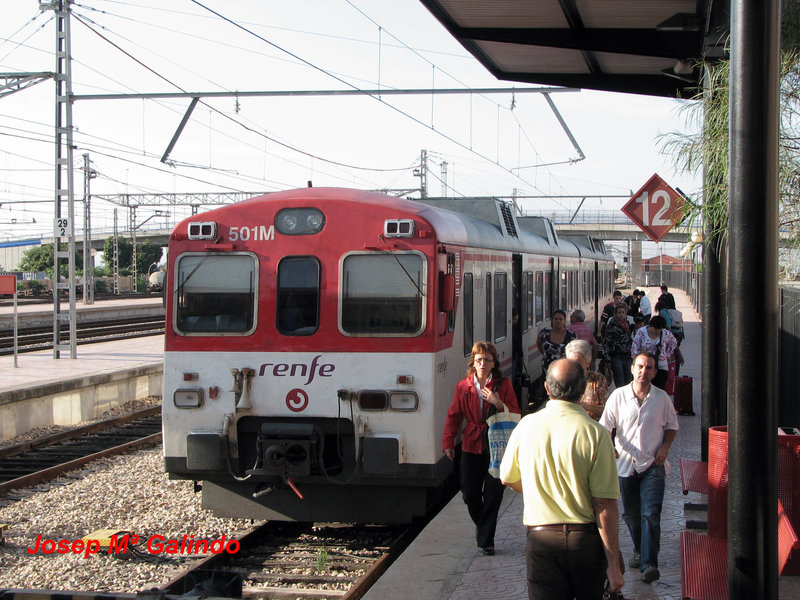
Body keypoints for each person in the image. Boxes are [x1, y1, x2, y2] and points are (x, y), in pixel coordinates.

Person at [500, 359, 624, 599]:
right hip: (585, 542)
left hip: (541, 540)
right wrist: (613, 564)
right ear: (581, 391)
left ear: (547, 388)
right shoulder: (596, 433)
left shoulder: (526, 426)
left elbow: (507, 478)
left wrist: (541, 488)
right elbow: (605, 504)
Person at [599, 352, 679, 585]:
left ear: (655, 372)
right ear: (633, 368)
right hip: (625, 465)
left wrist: (664, 448)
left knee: (651, 514)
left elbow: (672, 426)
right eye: (641, 366)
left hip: (653, 464)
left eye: (650, 367)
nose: (644, 371)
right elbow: (605, 426)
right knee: (631, 515)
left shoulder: (662, 398)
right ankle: (638, 548)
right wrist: (610, 448)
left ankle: (648, 563)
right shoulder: (618, 396)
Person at [442, 341, 521, 556]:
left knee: (494, 494)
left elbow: (515, 413)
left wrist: (497, 403)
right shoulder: (463, 386)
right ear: (473, 363)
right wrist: (448, 442)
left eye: (487, 359)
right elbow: (454, 415)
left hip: (497, 445)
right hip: (472, 443)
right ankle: (484, 527)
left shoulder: (503, 386)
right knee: (469, 493)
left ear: (494, 363)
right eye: (479, 360)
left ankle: (487, 541)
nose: (483, 363)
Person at [630, 315, 682, 390]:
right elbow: (634, 348)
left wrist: (667, 354)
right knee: (644, 389)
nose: (658, 331)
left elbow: (673, 343)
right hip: (645, 366)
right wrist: (637, 361)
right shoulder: (641, 332)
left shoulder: (665, 333)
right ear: (651, 326)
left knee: (658, 390)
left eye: (660, 329)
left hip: (661, 366)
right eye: (656, 329)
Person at [565, 339, 609, 421]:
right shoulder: (564, 381)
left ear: (588, 362)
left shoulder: (597, 380)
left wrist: (587, 407)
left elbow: (608, 410)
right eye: (571, 362)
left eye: (578, 362)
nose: (574, 366)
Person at [602, 303, 634, 389]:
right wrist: (607, 359)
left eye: (623, 312)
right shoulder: (611, 326)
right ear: (615, 314)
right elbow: (606, 343)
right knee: (620, 383)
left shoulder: (627, 325)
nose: (621, 314)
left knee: (629, 382)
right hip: (616, 357)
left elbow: (630, 340)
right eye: (619, 312)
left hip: (627, 357)